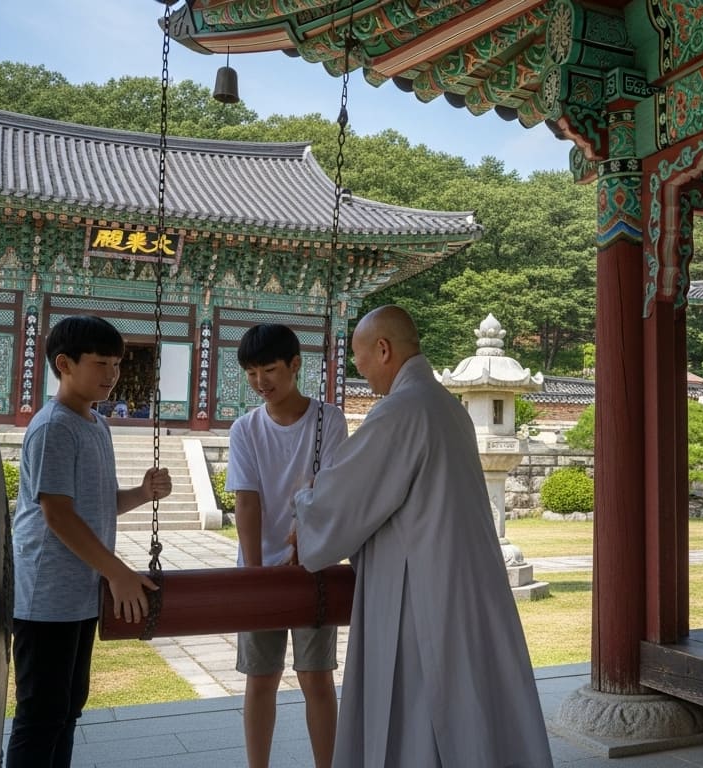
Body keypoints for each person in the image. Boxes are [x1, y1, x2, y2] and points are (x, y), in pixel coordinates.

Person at [292, 306, 552, 768]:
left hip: (421, 593)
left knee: (418, 710)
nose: (358, 369)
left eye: (359, 357)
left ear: (384, 349)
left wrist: (305, 504)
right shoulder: (448, 408)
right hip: (464, 584)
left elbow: (346, 499)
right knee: (470, 708)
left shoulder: (401, 411)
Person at [8, 315, 172, 767]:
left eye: (116, 364)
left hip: (79, 591)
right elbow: (57, 514)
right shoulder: (53, 427)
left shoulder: (96, 425)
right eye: (101, 363)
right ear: (64, 364)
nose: (113, 374)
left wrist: (141, 494)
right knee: (41, 714)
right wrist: (118, 573)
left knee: (68, 708)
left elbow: (95, 506)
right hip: (46, 593)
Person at [225, 324, 346, 768]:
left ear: (295, 365)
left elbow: (330, 491)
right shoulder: (245, 429)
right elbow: (246, 499)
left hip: (313, 566)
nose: (262, 383)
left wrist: (305, 548)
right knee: (260, 679)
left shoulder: (328, 420)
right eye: (252, 373)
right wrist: (257, 575)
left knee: (317, 678)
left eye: (270, 370)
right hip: (260, 568)